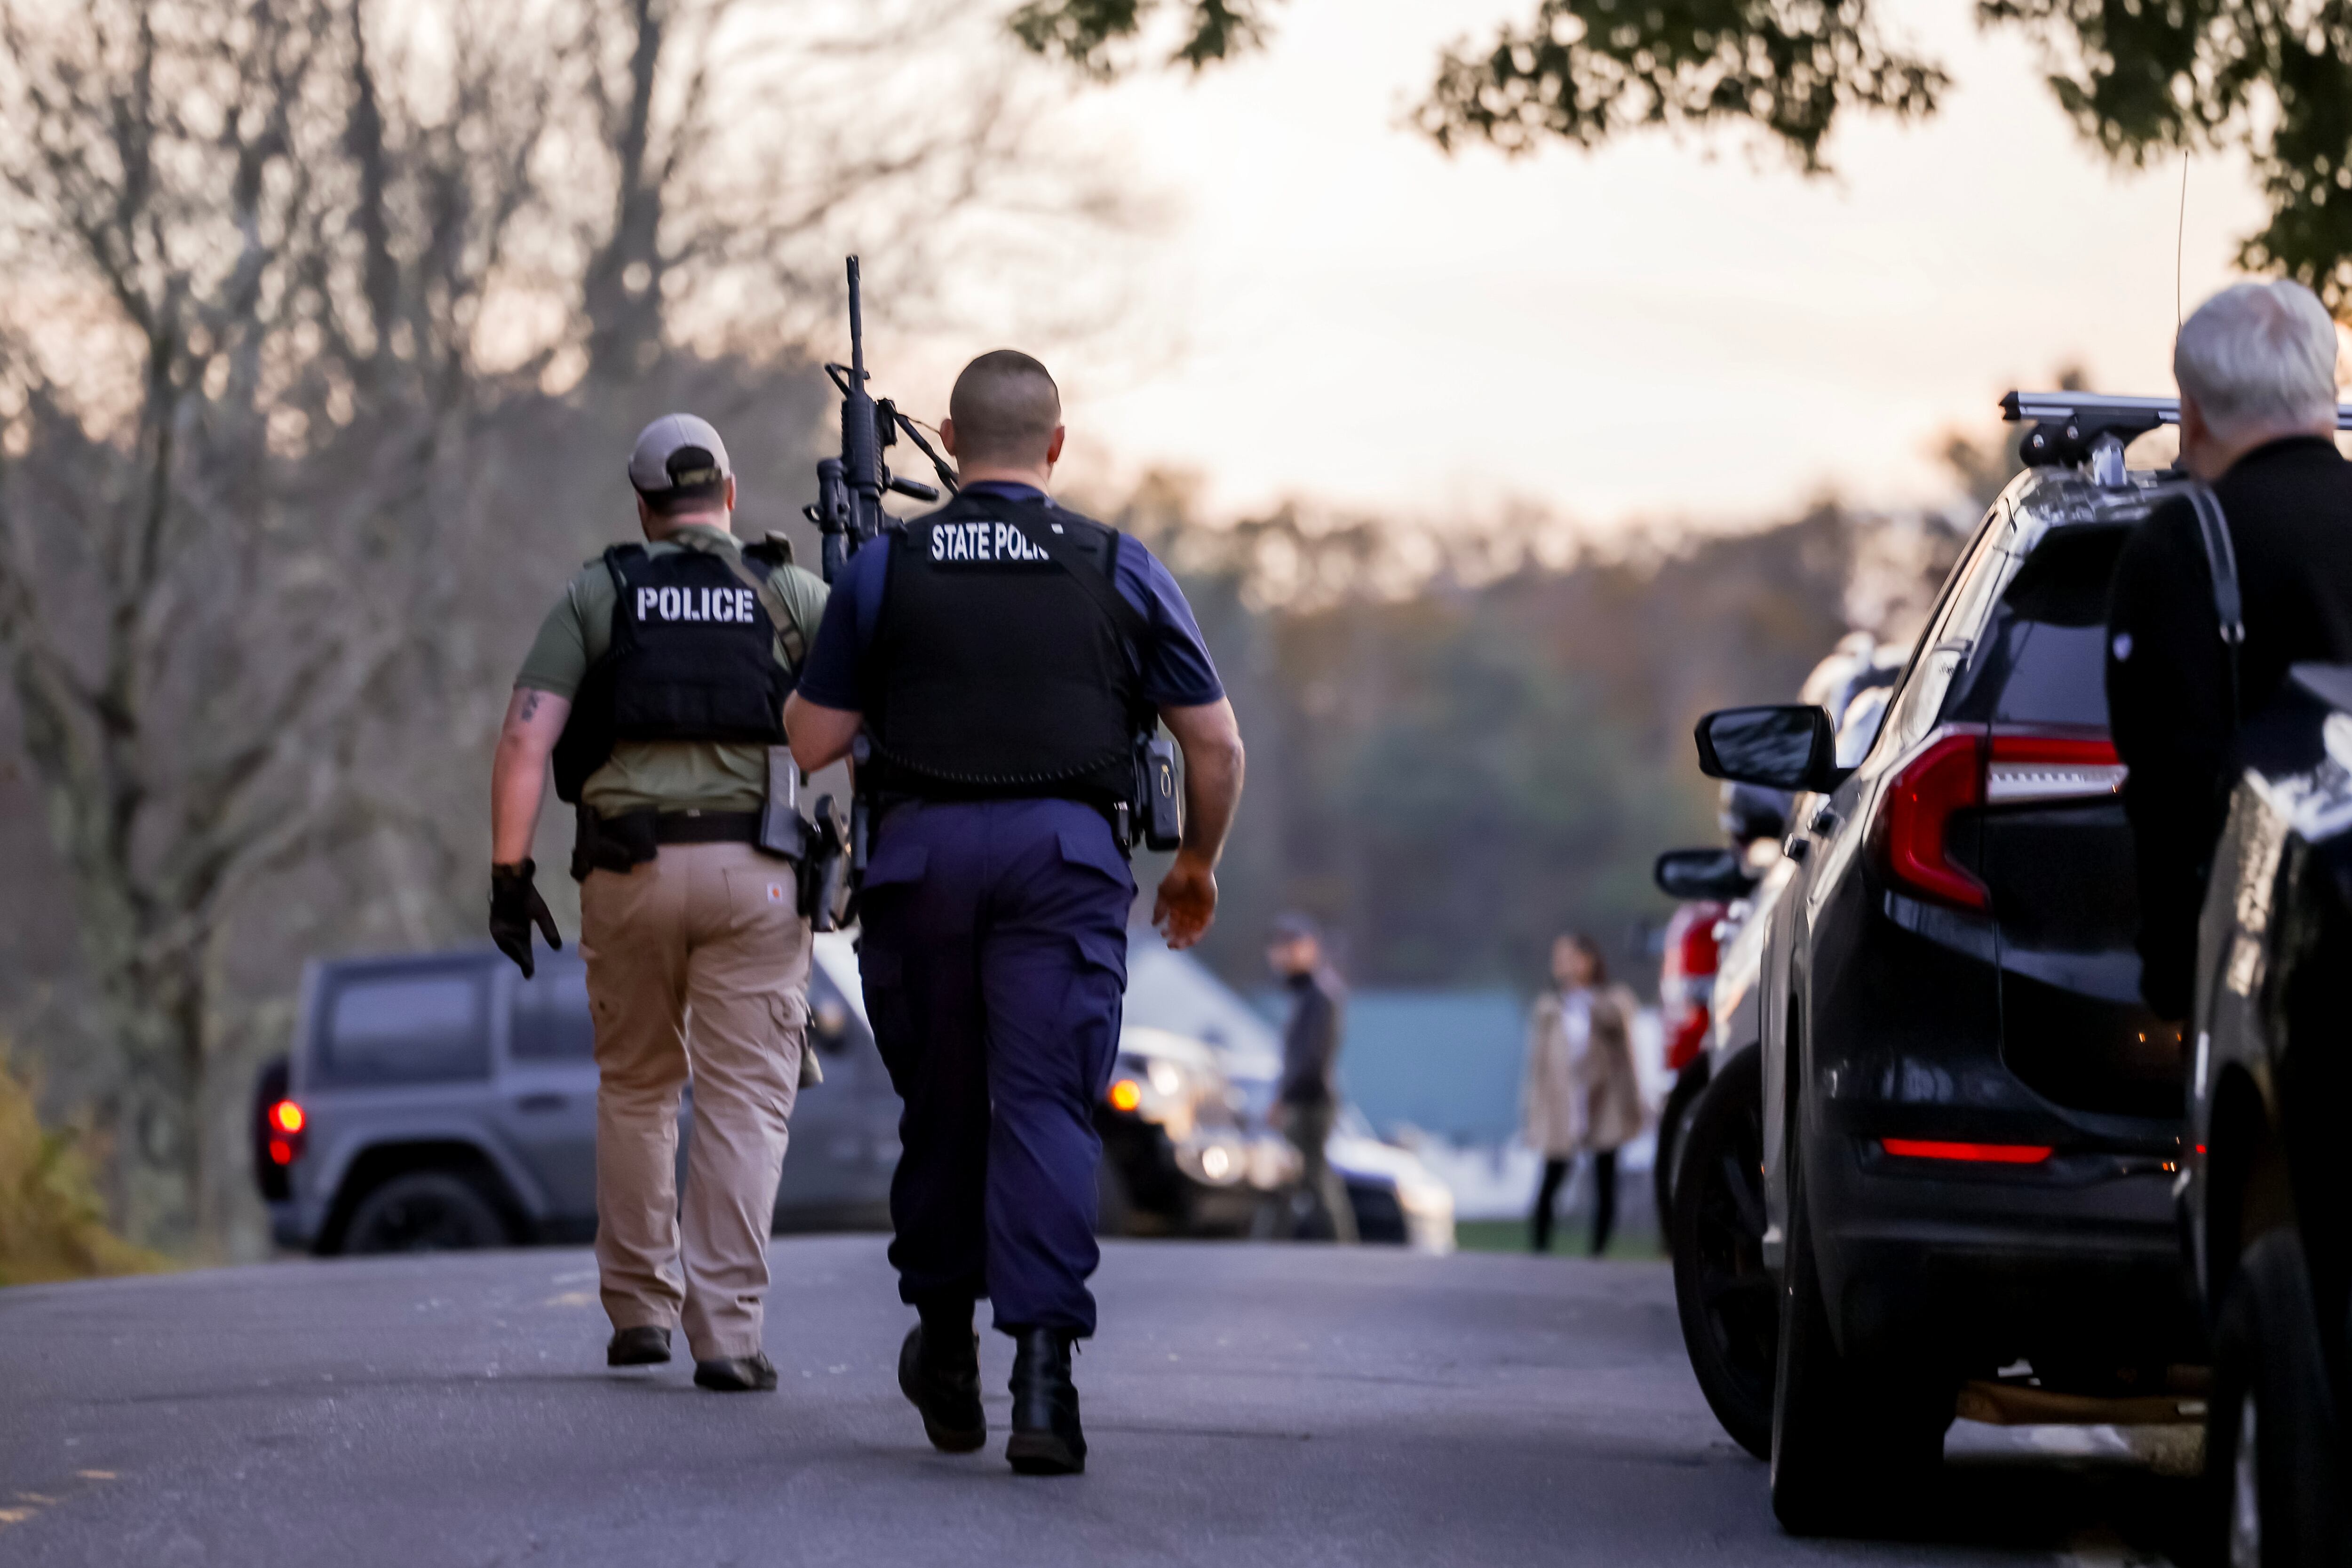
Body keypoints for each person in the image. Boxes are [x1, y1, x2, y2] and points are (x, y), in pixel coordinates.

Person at [783, 350, 1246, 1475]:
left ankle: (946, 1351)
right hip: (1063, 861)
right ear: (1056, 444)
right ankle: (1044, 1381)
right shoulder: (1119, 565)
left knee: (943, 1108)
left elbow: (810, 739)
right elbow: (1216, 744)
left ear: (948, 438)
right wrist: (1195, 864)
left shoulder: (887, 567)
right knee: (1044, 1108)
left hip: (922, 860)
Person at [488, 413, 827, 1392]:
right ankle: (727, 1333)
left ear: (643, 507)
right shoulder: (790, 592)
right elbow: (867, 716)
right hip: (758, 876)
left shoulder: (598, 593)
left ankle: (639, 1309)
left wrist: (510, 874)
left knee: (637, 1086)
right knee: (743, 1099)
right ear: (729, 492)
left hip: (626, 870)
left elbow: (525, 740)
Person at [2107, 280, 2352, 1020]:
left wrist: (2176, 979)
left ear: (2193, 413)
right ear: (2328, 388)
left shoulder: (2179, 547)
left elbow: (2171, 784)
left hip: (2278, 979)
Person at [1523, 933, 1643, 1256]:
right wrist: (1534, 1112)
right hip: (1563, 1105)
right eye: (1559, 957)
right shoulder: (1550, 1009)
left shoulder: (1611, 1002)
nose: (1563, 964)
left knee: (1605, 1179)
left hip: (1604, 1103)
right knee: (1552, 1178)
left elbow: (1625, 1047)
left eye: (1570, 956)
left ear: (1588, 960)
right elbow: (1538, 1066)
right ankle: (1539, 1251)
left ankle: (1597, 1254)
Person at [1265, 914, 1357, 1245]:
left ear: (1312, 947)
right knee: (1300, 1178)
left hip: (1312, 1102)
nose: (1284, 954)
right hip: (1304, 1099)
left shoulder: (1320, 994)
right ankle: (1280, 1243)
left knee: (1316, 1177)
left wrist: (1284, 1100)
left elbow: (1311, 1060)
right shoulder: (1305, 993)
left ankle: (1342, 1247)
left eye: (1293, 946)